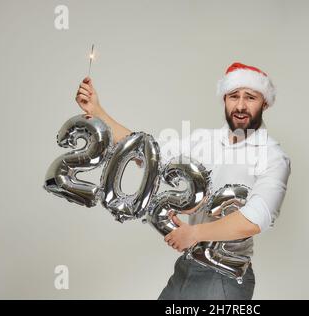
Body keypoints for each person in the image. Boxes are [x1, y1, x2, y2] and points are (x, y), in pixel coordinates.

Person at [75, 62, 291, 300]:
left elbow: (254, 219)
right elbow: (147, 154)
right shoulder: (203, 141)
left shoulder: (272, 156)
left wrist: (194, 233)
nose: (240, 105)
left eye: (250, 97)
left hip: (225, 278)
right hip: (187, 267)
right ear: (224, 100)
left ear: (265, 103)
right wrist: (97, 111)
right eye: (233, 96)